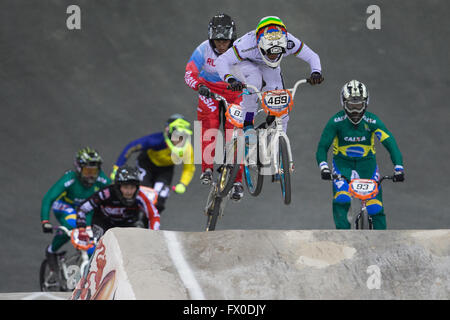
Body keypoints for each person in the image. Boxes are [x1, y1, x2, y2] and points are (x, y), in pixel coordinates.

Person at [316, 80, 405, 229]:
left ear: (366, 103)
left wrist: (399, 167)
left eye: (359, 106)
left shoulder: (373, 121)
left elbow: (391, 144)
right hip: (343, 166)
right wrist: (324, 167)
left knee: (375, 207)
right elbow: (322, 147)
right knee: (342, 199)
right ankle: (342, 235)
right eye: (351, 106)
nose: (355, 111)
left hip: (367, 166)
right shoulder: (335, 122)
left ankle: (382, 241)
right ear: (344, 103)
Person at [215, 16, 324, 135]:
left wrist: (316, 72)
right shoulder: (247, 45)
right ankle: (247, 123)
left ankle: (279, 143)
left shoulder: (289, 42)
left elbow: (312, 56)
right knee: (255, 79)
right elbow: (221, 61)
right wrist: (230, 79)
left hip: (267, 66)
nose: (274, 56)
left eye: (278, 52)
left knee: (281, 109)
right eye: (270, 52)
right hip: (241, 63)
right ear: (260, 45)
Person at [185, 13, 244, 202]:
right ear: (211, 38)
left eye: (225, 40)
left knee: (234, 133)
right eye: (217, 40)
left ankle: (237, 181)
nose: (221, 44)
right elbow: (189, 73)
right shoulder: (203, 49)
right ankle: (207, 169)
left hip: (234, 92)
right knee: (209, 124)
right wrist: (198, 86)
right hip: (209, 91)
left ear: (232, 38)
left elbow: (256, 71)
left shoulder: (241, 49)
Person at [40, 147, 111, 271]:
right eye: (87, 171)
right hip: (65, 207)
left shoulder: (102, 179)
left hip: (86, 210)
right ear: (78, 169)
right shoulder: (70, 179)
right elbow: (48, 199)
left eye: (94, 172)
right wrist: (45, 221)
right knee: (72, 224)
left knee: (92, 243)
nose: (91, 176)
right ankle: (51, 250)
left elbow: (114, 194)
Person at [110, 114, 195, 213]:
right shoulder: (156, 140)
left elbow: (189, 168)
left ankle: (152, 222)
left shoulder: (188, 149)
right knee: (139, 194)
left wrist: (183, 184)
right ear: (168, 131)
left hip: (165, 171)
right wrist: (117, 167)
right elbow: (131, 147)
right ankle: (128, 215)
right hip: (146, 165)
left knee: (160, 200)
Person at [76, 165, 160, 244]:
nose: (129, 192)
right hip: (104, 223)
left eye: (132, 187)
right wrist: (81, 229)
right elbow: (83, 208)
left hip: (127, 225)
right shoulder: (106, 193)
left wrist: (153, 236)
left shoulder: (140, 196)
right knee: (100, 244)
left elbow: (154, 215)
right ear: (118, 187)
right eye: (125, 187)